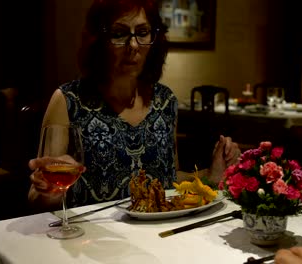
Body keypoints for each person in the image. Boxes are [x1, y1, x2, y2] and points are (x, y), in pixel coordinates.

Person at [28, 0, 240, 211]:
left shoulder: (165, 101)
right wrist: (49, 188)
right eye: (119, 34)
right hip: (90, 238)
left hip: (155, 236)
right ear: (98, 39)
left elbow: (169, 177)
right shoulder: (68, 100)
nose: (133, 45)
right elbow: (36, 197)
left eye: (142, 32)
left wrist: (212, 174)